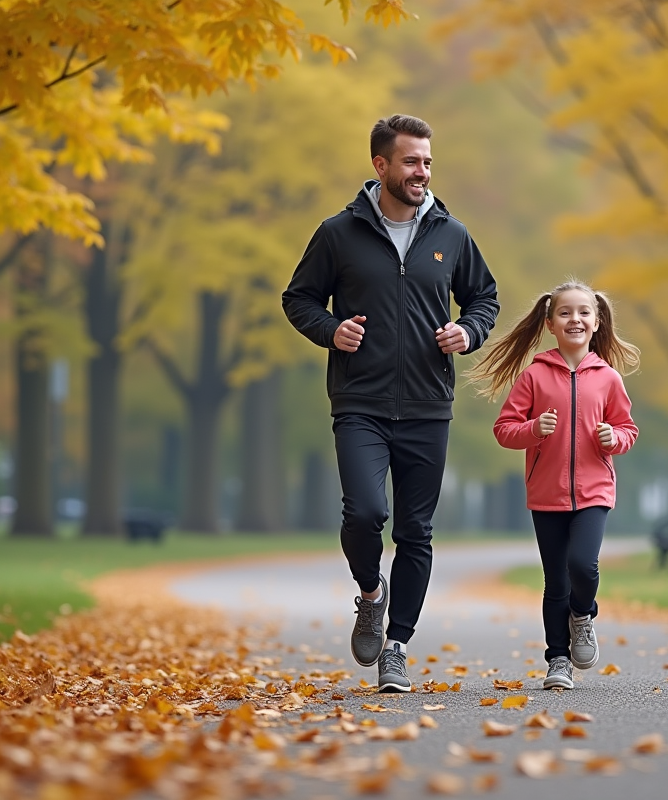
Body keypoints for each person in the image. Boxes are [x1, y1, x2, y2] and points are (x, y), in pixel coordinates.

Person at [281, 114, 499, 692]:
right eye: (410, 161)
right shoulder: (338, 233)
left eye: (427, 161)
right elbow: (299, 298)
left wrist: (469, 332)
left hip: (428, 403)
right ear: (381, 166)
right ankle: (371, 593)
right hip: (360, 399)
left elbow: (484, 297)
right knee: (365, 513)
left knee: (416, 531)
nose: (422, 171)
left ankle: (396, 648)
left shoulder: (451, 234)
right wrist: (331, 330)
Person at [466, 279, 639, 690]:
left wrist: (613, 438)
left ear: (597, 322)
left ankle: (583, 614)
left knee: (583, 566)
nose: (574, 319)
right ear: (550, 323)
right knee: (555, 581)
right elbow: (504, 429)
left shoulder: (608, 378)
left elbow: (627, 429)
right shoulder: (534, 376)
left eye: (583, 312)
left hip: (595, 491)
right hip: (546, 494)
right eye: (565, 312)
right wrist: (533, 429)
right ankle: (558, 660)